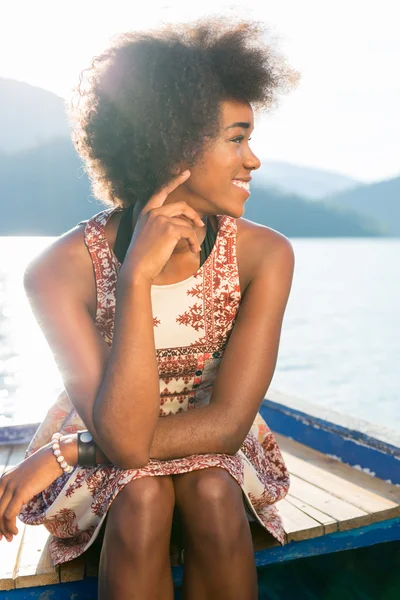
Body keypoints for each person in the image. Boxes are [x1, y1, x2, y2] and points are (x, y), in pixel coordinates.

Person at [0, 15, 298, 600]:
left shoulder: (265, 255)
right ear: (173, 148)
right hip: (105, 461)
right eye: (236, 138)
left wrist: (62, 452)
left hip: (204, 452)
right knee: (140, 493)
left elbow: (227, 425)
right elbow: (124, 447)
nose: (253, 160)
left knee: (211, 486)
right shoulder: (58, 271)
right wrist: (134, 277)